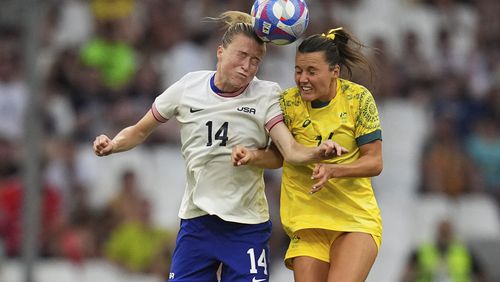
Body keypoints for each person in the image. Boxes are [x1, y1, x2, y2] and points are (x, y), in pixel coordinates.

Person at [93, 12, 346, 282]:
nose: (247, 66)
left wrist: (316, 152)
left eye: (255, 61)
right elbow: (140, 130)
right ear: (221, 52)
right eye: (241, 55)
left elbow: (288, 152)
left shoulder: (266, 94)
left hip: (246, 226)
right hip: (197, 223)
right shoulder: (188, 87)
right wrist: (113, 144)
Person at [232, 27, 383, 281]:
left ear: (334, 72)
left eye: (312, 71)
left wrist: (334, 170)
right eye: (298, 70)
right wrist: (252, 156)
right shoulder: (288, 103)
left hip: (354, 221)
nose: (302, 78)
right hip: (306, 223)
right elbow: (280, 155)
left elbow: (374, 161)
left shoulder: (358, 99)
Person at [401, 219, 486, 282]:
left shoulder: (465, 252)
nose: (444, 235)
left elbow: (482, 275)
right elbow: (407, 275)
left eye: (447, 232)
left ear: (452, 233)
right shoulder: (421, 251)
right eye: (442, 232)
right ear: (437, 232)